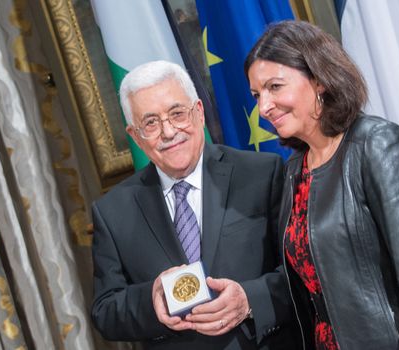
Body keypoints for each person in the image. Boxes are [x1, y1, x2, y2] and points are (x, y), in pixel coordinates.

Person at [245, 20, 399, 350]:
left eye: (275, 87)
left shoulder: (378, 145)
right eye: (257, 94)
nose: (264, 107)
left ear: (318, 79)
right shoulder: (294, 170)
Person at [91, 60, 298, 349]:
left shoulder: (262, 173)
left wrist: (249, 299)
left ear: (199, 112)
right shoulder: (113, 212)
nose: (168, 131)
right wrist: (151, 299)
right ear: (135, 136)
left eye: (177, 114)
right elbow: (105, 310)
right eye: (150, 123)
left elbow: (302, 271)